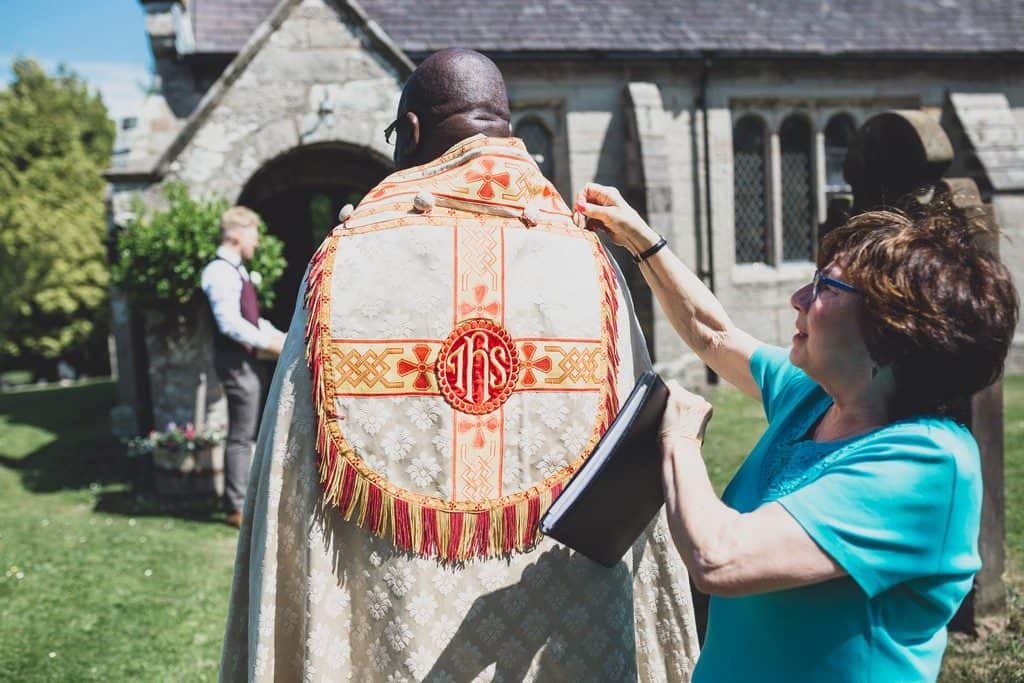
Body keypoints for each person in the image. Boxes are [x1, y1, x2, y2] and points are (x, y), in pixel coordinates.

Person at [219, 49, 699, 682]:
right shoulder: (590, 263)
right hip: (560, 610)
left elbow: (292, 466)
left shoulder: (344, 260)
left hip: (404, 613)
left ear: (412, 133)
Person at [576, 185, 1019, 682]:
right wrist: (641, 240)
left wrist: (678, 440)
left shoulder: (927, 463)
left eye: (826, 288)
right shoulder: (814, 397)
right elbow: (713, 334)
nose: (798, 298)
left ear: (891, 328)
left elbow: (719, 559)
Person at [201, 206, 286, 528]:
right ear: (237, 235)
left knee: (247, 431)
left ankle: (244, 498)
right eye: (253, 234)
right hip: (235, 362)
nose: (257, 242)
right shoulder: (219, 272)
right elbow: (230, 323)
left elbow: (252, 320)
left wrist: (284, 337)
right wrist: (271, 345)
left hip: (245, 360)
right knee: (240, 435)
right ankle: (236, 506)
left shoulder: (237, 271)